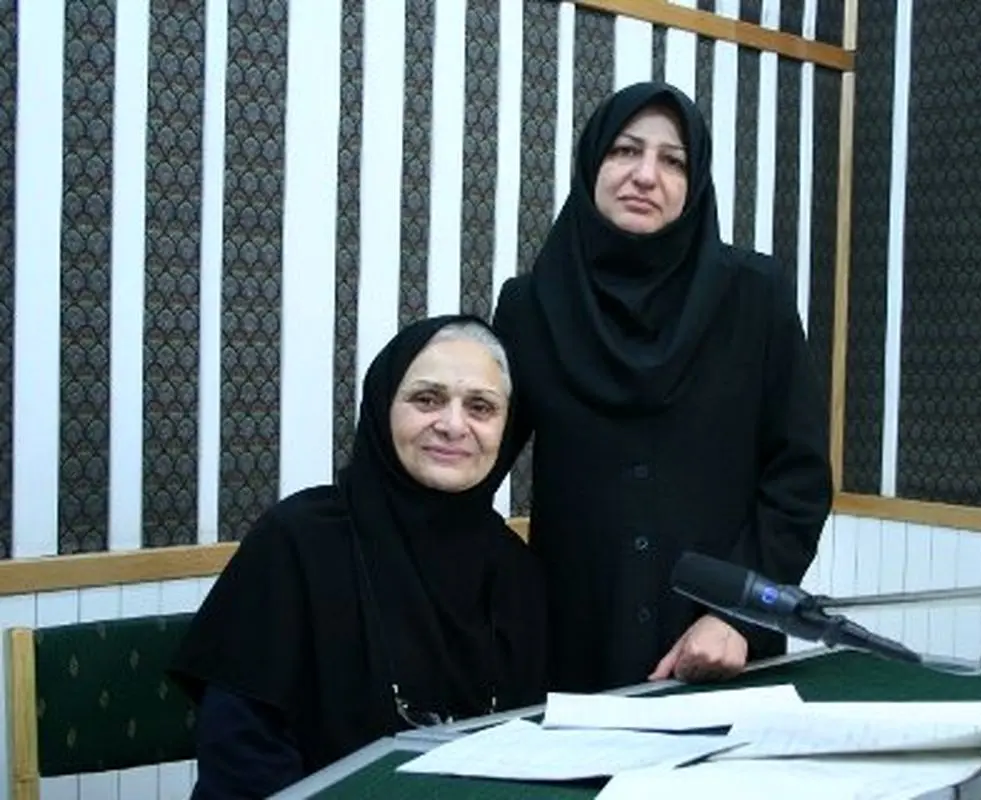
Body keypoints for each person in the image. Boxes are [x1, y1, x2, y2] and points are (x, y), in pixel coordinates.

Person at [492, 81, 833, 694]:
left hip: (719, 644)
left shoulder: (755, 297)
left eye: (672, 160)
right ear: (592, 164)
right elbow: (475, 457)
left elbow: (799, 477)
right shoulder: (531, 306)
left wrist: (738, 614)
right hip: (573, 638)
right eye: (625, 150)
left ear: (694, 182)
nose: (645, 176)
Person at [170, 315, 546, 798]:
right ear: (382, 406)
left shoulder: (514, 569)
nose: (453, 425)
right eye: (427, 399)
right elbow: (243, 760)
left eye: (480, 407)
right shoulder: (297, 542)